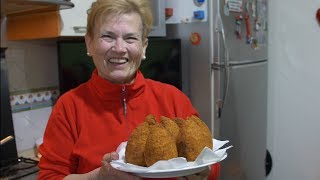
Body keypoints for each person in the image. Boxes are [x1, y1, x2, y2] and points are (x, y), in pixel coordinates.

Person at [37, 0, 220, 179]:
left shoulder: (173, 99)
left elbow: (210, 161)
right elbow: (49, 176)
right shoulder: (69, 107)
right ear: (89, 43)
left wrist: (204, 172)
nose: (119, 48)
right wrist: (98, 177)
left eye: (130, 38)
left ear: (144, 47)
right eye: (108, 36)